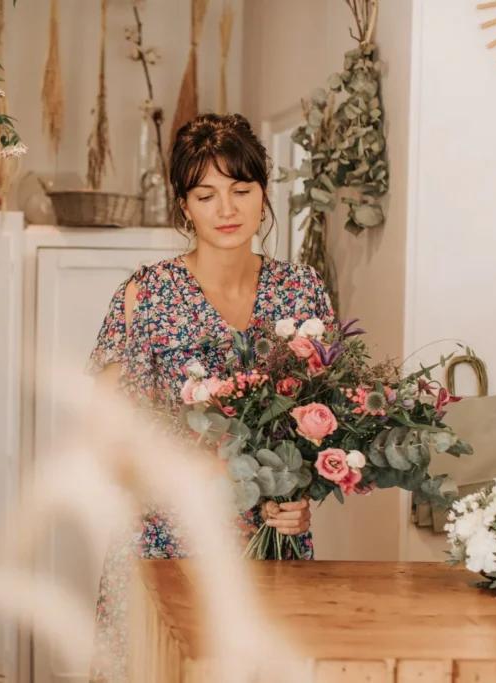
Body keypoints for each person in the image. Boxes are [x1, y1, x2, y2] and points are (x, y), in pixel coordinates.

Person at [86, 113, 337, 682]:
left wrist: (300, 502)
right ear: (184, 207)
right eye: (207, 194)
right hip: (161, 547)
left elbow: (316, 427)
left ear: (263, 195)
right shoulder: (144, 295)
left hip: (270, 552)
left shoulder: (302, 291)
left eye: (241, 190)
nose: (226, 209)